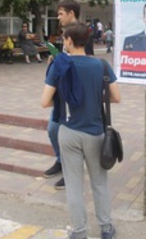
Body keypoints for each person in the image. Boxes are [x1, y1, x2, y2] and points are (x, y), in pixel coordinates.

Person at [41, 23, 121, 239]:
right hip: (95, 132)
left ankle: (79, 232)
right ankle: (106, 229)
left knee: (74, 185)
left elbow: (45, 102)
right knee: (99, 182)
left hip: (68, 132)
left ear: (68, 41)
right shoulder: (102, 66)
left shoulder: (60, 65)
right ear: (88, 40)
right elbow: (116, 97)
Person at [41, 0, 93, 190]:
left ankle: (72, 169)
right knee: (53, 129)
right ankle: (61, 162)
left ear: (71, 13)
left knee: (67, 132)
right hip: (61, 89)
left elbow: (86, 59)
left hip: (75, 91)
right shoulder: (65, 34)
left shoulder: (82, 33)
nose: (59, 17)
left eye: (62, 13)